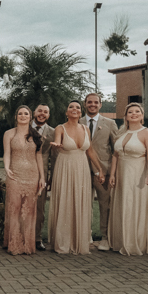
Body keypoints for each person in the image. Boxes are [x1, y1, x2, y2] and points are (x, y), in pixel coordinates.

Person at [47, 100, 107, 254]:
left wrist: (100, 169)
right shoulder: (60, 128)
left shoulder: (85, 128)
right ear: (66, 112)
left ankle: (78, 241)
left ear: (81, 112)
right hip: (65, 167)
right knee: (66, 201)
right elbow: (57, 143)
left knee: (81, 201)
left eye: (78, 107)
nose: (74, 109)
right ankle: (63, 242)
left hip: (82, 169)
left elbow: (90, 151)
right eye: (71, 107)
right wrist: (56, 145)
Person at [108, 103, 148, 256]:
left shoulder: (147, 133)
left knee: (134, 204)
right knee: (122, 204)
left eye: (137, 111)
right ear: (126, 116)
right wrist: (112, 174)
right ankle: (121, 241)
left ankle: (136, 242)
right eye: (130, 112)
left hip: (138, 173)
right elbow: (115, 155)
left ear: (142, 116)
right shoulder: (121, 133)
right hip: (121, 175)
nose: (134, 114)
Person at [2, 106, 46, 255]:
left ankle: (27, 244)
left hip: (32, 175)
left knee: (29, 209)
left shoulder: (36, 135)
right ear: (16, 116)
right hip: (14, 174)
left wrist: (42, 177)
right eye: (20, 113)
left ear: (30, 117)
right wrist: (6, 167)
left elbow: (39, 157)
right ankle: (14, 243)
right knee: (14, 208)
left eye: (26, 113)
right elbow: (7, 153)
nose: (23, 116)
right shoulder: (9, 134)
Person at [82, 94, 118, 250]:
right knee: (83, 203)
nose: (92, 105)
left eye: (96, 102)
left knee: (105, 205)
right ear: (85, 104)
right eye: (89, 102)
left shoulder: (110, 123)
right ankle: (85, 234)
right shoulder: (77, 122)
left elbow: (116, 149)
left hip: (103, 170)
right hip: (81, 169)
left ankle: (105, 237)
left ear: (100, 105)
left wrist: (113, 172)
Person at [32, 104, 55, 251]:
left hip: (42, 174)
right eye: (39, 110)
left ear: (48, 115)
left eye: (45, 112)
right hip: (24, 171)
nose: (42, 114)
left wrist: (51, 177)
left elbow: (54, 156)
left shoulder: (53, 132)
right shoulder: (23, 126)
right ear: (34, 112)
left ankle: (37, 238)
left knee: (40, 208)